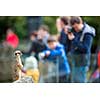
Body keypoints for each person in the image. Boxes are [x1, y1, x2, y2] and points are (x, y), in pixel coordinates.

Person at [65, 16, 95, 83]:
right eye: (74, 27)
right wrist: (67, 35)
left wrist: (73, 39)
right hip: (74, 60)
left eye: (76, 27)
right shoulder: (74, 31)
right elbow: (69, 45)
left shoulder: (88, 33)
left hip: (82, 62)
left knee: (80, 81)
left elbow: (85, 49)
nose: (75, 29)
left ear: (81, 22)